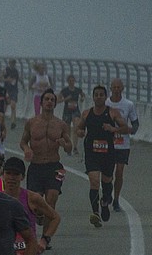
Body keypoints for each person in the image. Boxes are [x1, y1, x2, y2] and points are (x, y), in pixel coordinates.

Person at [19, 88, 73, 225]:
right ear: (41, 103)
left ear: (55, 104)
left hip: (54, 166)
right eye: (46, 99)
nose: (49, 102)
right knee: (35, 204)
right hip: (36, 167)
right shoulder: (32, 123)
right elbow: (23, 141)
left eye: (52, 100)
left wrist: (63, 144)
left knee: (52, 198)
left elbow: (69, 147)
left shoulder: (61, 125)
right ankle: (39, 215)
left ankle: (46, 238)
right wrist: (26, 149)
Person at [77, 85, 124, 227]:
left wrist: (113, 128)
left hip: (108, 154)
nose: (98, 97)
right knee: (94, 181)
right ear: (93, 97)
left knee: (107, 181)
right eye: (96, 94)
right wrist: (80, 132)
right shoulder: (86, 113)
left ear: (105, 97)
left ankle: (105, 203)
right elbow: (79, 128)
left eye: (101, 95)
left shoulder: (113, 113)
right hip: (91, 153)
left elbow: (126, 128)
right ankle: (95, 213)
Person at [105, 78, 140, 213]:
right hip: (108, 144)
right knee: (107, 173)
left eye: (119, 87)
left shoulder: (128, 104)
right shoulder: (106, 103)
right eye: (114, 87)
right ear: (110, 88)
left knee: (119, 172)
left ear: (123, 89)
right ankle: (107, 195)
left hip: (123, 145)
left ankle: (116, 199)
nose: (116, 90)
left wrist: (127, 130)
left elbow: (135, 125)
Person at [59, 75, 85, 155]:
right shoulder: (64, 90)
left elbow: (83, 95)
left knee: (76, 128)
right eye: (70, 81)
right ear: (68, 81)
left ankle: (75, 147)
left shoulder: (78, 90)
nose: (71, 82)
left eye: (73, 80)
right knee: (67, 131)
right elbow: (58, 100)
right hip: (67, 112)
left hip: (75, 111)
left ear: (74, 81)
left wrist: (82, 98)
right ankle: (68, 147)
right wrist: (65, 99)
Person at [3, 59, 23, 129]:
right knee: (5, 106)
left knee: (13, 105)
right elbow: (1, 78)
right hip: (7, 89)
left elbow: (18, 78)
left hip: (14, 89)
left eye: (13, 63)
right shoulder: (6, 70)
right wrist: (7, 80)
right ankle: (1, 120)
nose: (12, 65)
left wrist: (22, 84)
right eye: (11, 63)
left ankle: (13, 122)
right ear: (9, 63)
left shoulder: (15, 71)